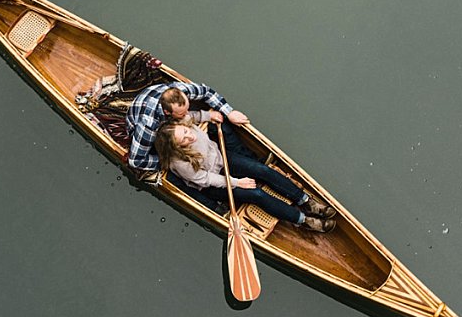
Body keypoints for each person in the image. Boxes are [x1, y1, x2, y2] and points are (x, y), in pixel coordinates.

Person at [154, 115, 337, 232]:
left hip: (222, 158)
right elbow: (208, 179)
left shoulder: (187, 123)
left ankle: (306, 201)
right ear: (177, 148)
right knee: (256, 194)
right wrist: (236, 182)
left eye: (186, 131)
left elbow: (198, 114)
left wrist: (211, 115)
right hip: (213, 184)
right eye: (183, 140)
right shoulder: (179, 163)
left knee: (262, 170)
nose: (189, 137)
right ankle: (303, 221)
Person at [126, 82, 249, 172]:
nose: (187, 114)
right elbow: (136, 161)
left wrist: (229, 112)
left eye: (187, 108)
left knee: (219, 122)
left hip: (163, 108)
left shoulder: (181, 90)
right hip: (148, 126)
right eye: (182, 114)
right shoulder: (149, 125)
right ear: (168, 112)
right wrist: (169, 162)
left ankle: (245, 157)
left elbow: (206, 92)